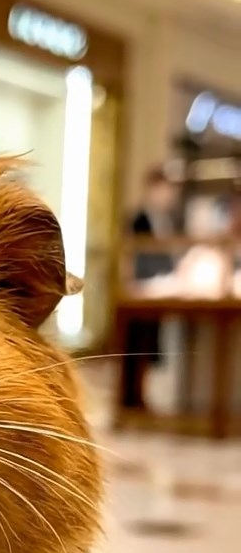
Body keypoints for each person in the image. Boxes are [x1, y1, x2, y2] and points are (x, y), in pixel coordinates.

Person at [121, 167, 181, 407]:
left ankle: (142, 395)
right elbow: (134, 254)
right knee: (136, 343)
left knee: (150, 344)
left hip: (159, 287)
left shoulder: (165, 220)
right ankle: (131, 396)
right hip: (141, 287)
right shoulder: (138, 218)